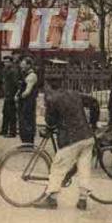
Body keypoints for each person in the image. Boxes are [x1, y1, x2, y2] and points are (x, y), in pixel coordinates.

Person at [32, 75, 95, 211]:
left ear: (48, 86)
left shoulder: (52, 99)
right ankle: (83, 200)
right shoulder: (75, 93)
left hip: (70, 139)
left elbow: (50, 122)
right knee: (84, 167)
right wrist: (93, 124)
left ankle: (52, 199)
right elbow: (94, 102)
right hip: (87, 135)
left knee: (58, 167)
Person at [16, 56, 39, 145]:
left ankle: (28, 142)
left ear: (29, 65)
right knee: (22, 121)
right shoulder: (25, 74)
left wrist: (20, 96)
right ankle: (25, 141)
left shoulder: (32, 76)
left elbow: (27, 91)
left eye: (23, 64)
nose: (21, 66)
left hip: (28, 101)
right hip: (24, 101)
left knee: (27, 121)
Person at [0, 56, 20, 138]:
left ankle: (12, 131)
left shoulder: (13, 71)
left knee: (11, 114)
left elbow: (16, 84)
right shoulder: (5, 70)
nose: (5, 63)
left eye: (7, 61)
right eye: (4, 62)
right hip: (7, 94)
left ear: (11, 62)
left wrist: (15, 94)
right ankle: (4, 130)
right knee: (5, 112)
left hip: (11, 94)